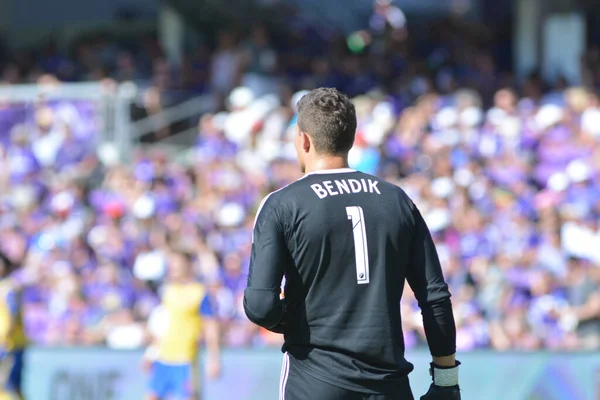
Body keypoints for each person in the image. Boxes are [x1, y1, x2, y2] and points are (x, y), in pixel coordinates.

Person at [243, 87, 461, 400]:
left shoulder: (282, 204)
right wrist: (446, 381)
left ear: (304, 140)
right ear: (350, 137)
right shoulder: (396, 199)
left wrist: (303, 323)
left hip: (315, 380)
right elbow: (435, 297)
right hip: (389, 384)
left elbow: (261, 306)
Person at [142, 251, 221, 400]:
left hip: (185, 360)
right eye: (171, 264)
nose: (172, 267)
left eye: (176, 263)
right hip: (162, 358)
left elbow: (210, 326)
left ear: (188, 266)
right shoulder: (168, 291)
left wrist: (214, 358)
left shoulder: (199, 293)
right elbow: (162, 325)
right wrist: (150, 353)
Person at [0, 252, 26, 400]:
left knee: (9, 383)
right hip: (6, 342)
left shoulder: (9, 287)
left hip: (10, 343)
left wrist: (5, 336)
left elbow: (12, 314)